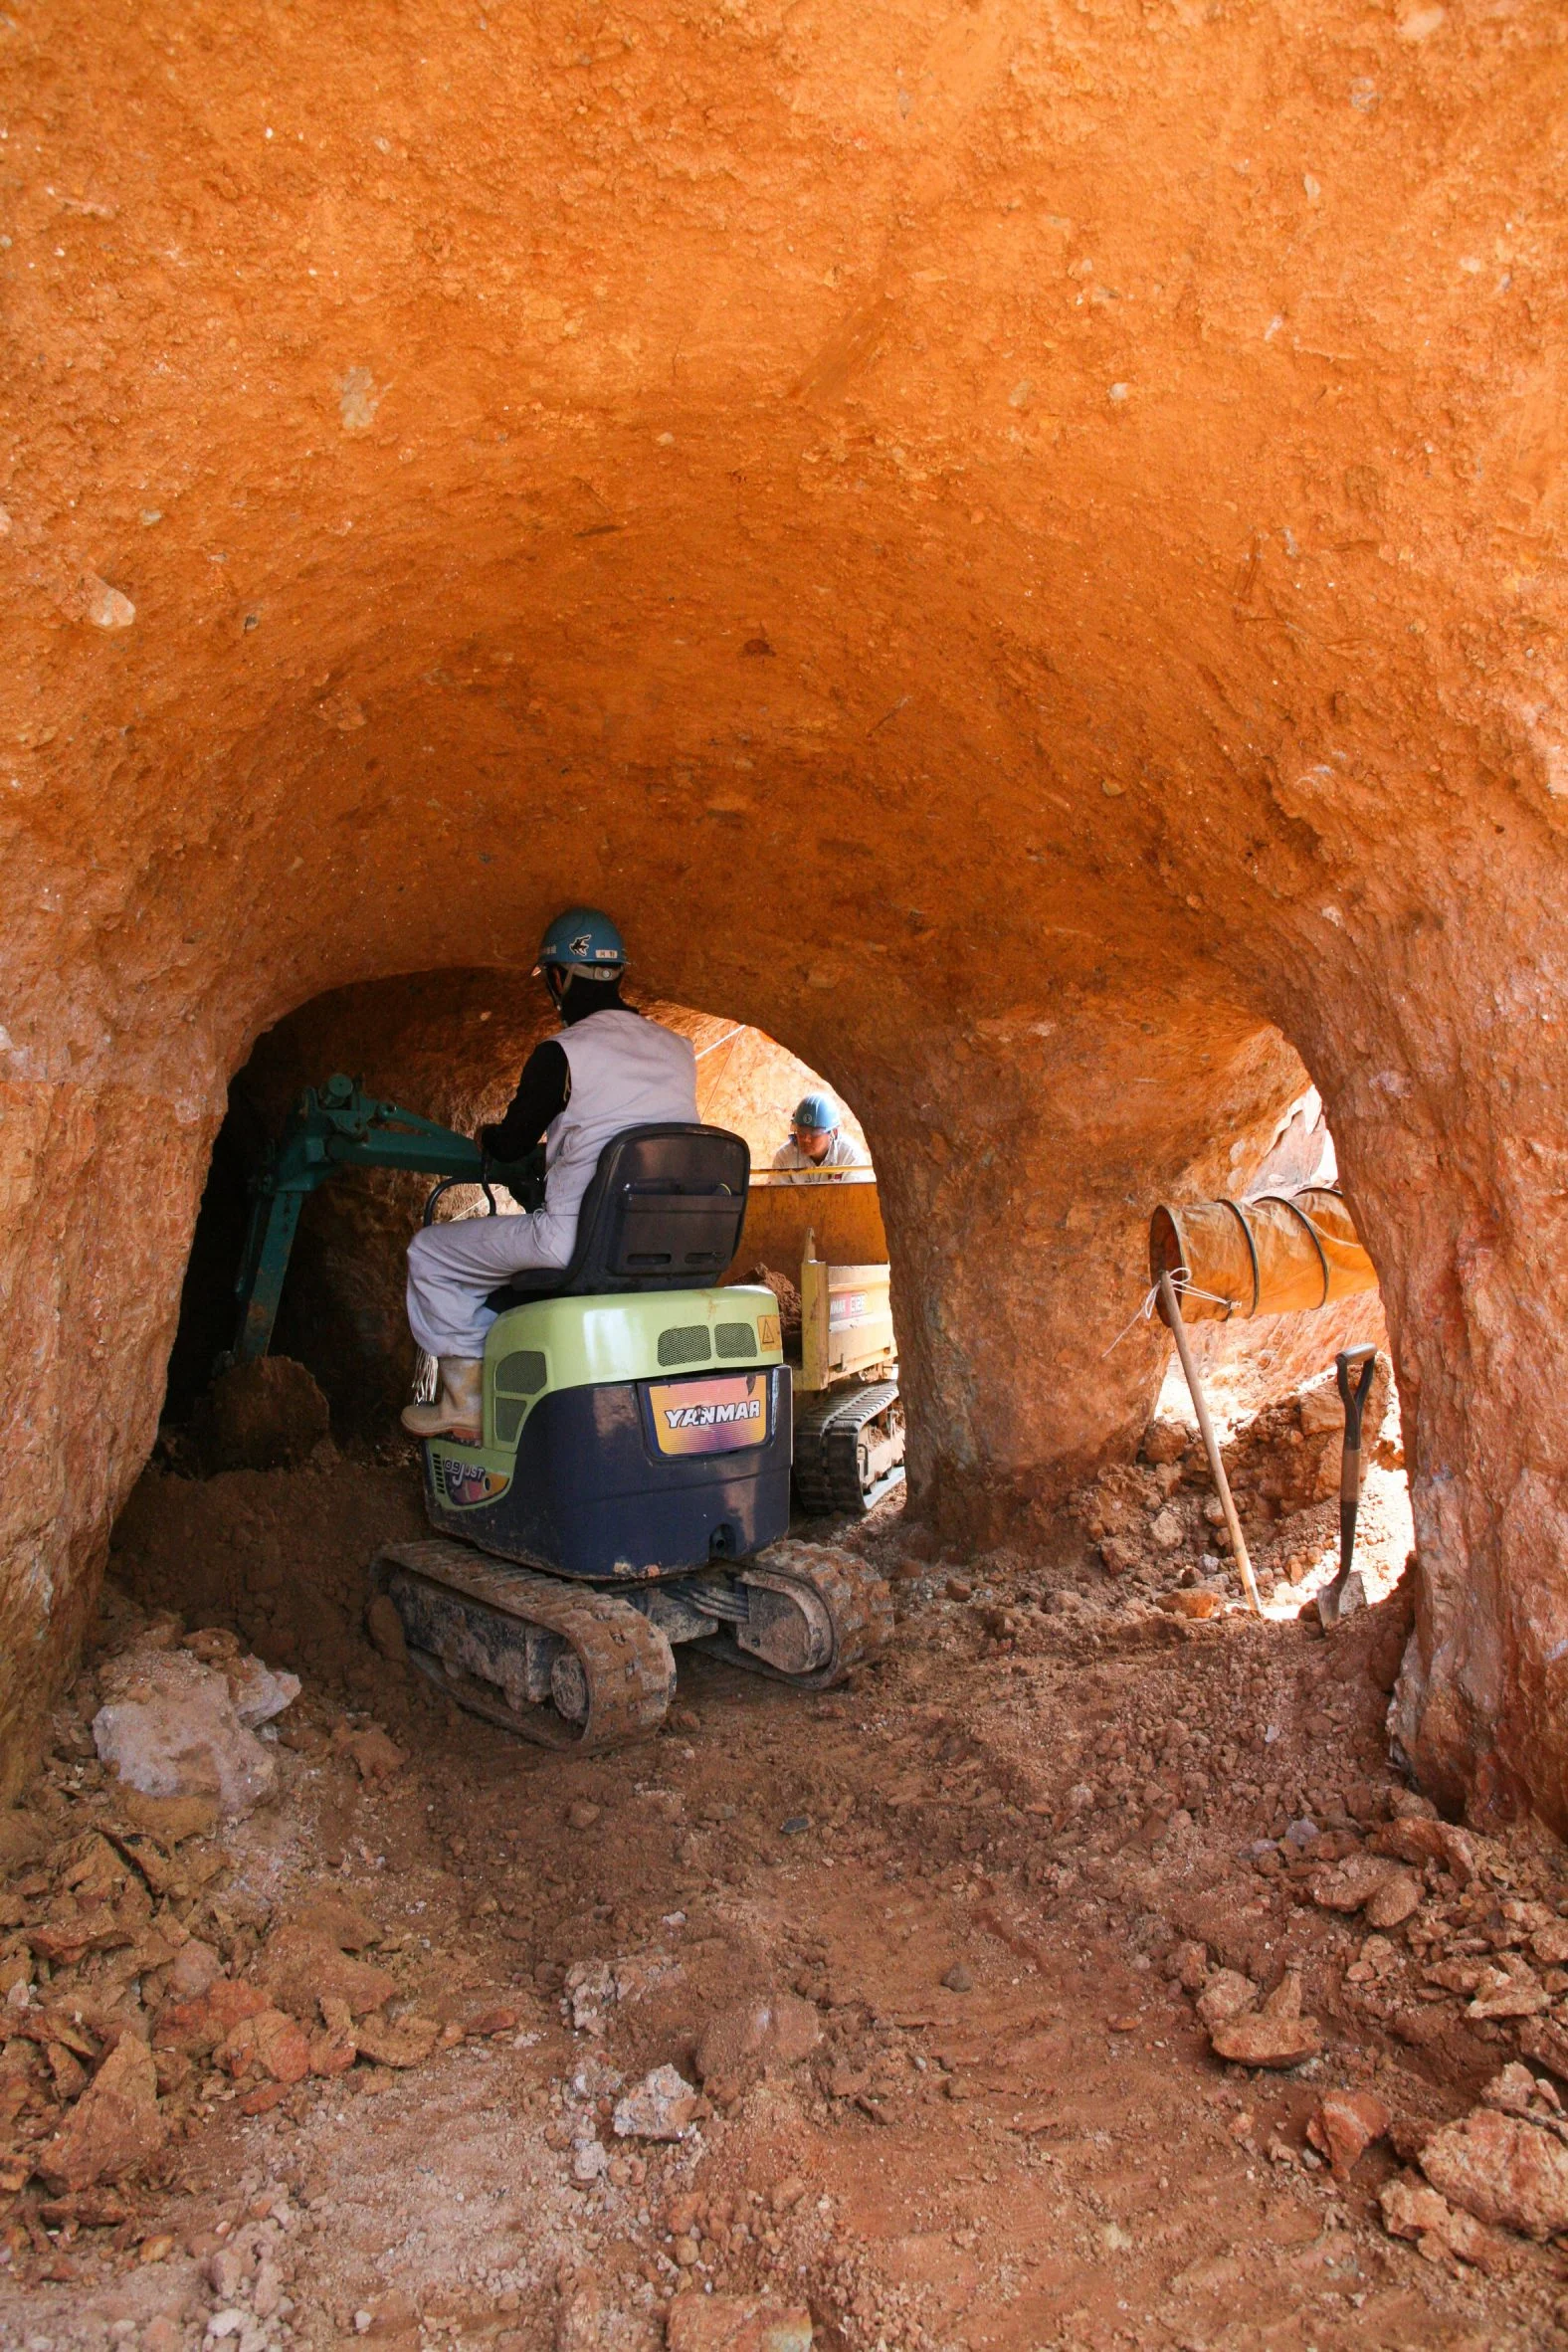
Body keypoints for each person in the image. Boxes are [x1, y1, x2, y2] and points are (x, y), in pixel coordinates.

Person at [402, 908, 698, 1439]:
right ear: (617, 973)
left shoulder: (562, 1052)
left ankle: (468, 1402)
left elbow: (512, 1143)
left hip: (572, 1241)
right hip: (662, 1241)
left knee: (429, 1255)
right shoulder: (679, 1050)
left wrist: (491, 1138)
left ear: (558, 979)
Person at [771, 1090, 869, 1175]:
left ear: (833, 1132)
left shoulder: (849, 1156)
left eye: (814, 1132)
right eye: (801, 1131)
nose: (806, 1139)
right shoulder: (785, 1157)